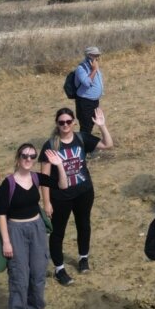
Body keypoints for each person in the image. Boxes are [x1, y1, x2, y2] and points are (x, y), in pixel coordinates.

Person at [40, 106, 114, 285]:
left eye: (68, 121)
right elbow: (44, 178)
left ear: (73, 122)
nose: (65, 125)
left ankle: (83, 258)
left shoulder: (81, 138)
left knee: (84, 225)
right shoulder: (50, 146)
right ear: (57, 124)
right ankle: (59, 269)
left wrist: (102, 126)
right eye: (61, 122)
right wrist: (47, 202)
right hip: (60, 196)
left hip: (84, 192)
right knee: (58, 233)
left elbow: (108, 145)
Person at [0, 143, 59, 309]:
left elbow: (62, 185)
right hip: (16, 230)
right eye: (25, 155)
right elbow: (0, 213)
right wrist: (6, 241)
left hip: (37, 228)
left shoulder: (36, 178)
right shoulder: (9, 183)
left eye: (33, 156)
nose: (29, 159)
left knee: (39, 271)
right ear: (18, 158)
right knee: (19, 276)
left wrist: (60, 165)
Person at [73, 46, 103, 135]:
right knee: (86, 125)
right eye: (95, 55)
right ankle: (83, 146)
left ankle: (86, 143)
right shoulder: (81, 68)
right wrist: (94, 70)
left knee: (92, 122)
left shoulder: (94, 65)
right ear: (89, 55)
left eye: (98, 55)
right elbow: (86, 83)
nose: (97, 58)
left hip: (94, 100)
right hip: (84, 101)